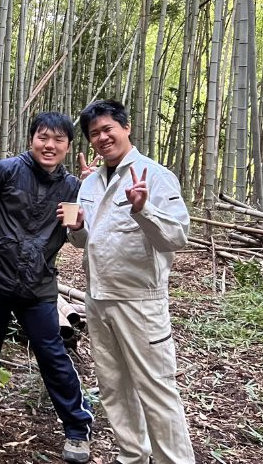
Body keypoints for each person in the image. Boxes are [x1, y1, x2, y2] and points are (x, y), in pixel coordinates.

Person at [64, 99, 195, 464]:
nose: (102, 138)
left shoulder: (154, 175)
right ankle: (132, 455)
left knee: (156, 390)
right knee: (113, 386)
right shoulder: (90, 182)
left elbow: (177, 237)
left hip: (140, 300)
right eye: (94, 133)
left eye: (108, 129)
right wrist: (77, 228)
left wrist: (143, 209)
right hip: (97, 298)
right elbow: (86, 240)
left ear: (126, 128)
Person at [0, 112, 94, 464]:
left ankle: (77, 426)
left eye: (58, 140)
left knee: (51, 352)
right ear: (32, 139)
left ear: (68, 147)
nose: (49, 145)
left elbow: (84, 235)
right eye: (43, 137)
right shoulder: (6, 170)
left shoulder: (74, 187)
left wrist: (92, 194)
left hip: (38, 284)